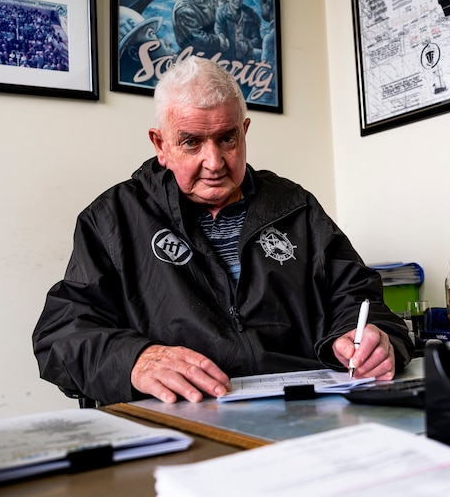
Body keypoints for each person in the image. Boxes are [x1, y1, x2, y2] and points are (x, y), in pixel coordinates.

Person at [33, 57, 413, 406]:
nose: (214, 162)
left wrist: (373, 339)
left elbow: (359, 301)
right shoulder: (112, 219)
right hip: (183, 417)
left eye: (227, 138)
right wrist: (135, 359)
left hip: (305, 408)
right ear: (160, 144)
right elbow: (61, 336)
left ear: (244, 132)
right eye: (191, 142)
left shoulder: (295, 207)